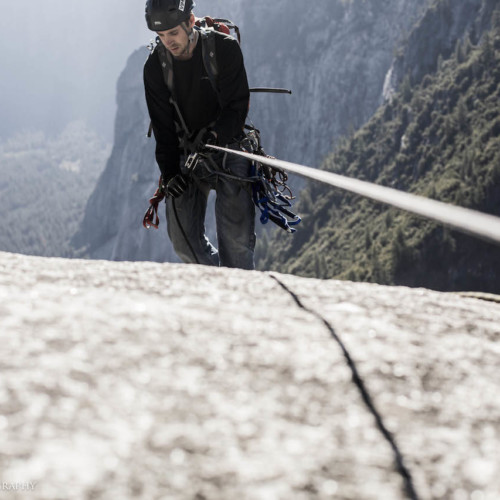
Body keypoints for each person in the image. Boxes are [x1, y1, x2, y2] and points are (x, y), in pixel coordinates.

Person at [143, 0, 256, 270]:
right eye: (161, 36)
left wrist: (215, 138)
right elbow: (163, 128)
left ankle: (239, 291)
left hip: (229, 148)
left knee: (236, 242)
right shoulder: (155, 67)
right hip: (186, 153)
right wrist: (170, 174)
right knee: (183, 243)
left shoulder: (224, 50)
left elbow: (236, 108)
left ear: (190, 22)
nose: (168, 41)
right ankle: (223, 281)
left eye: (173, 33)